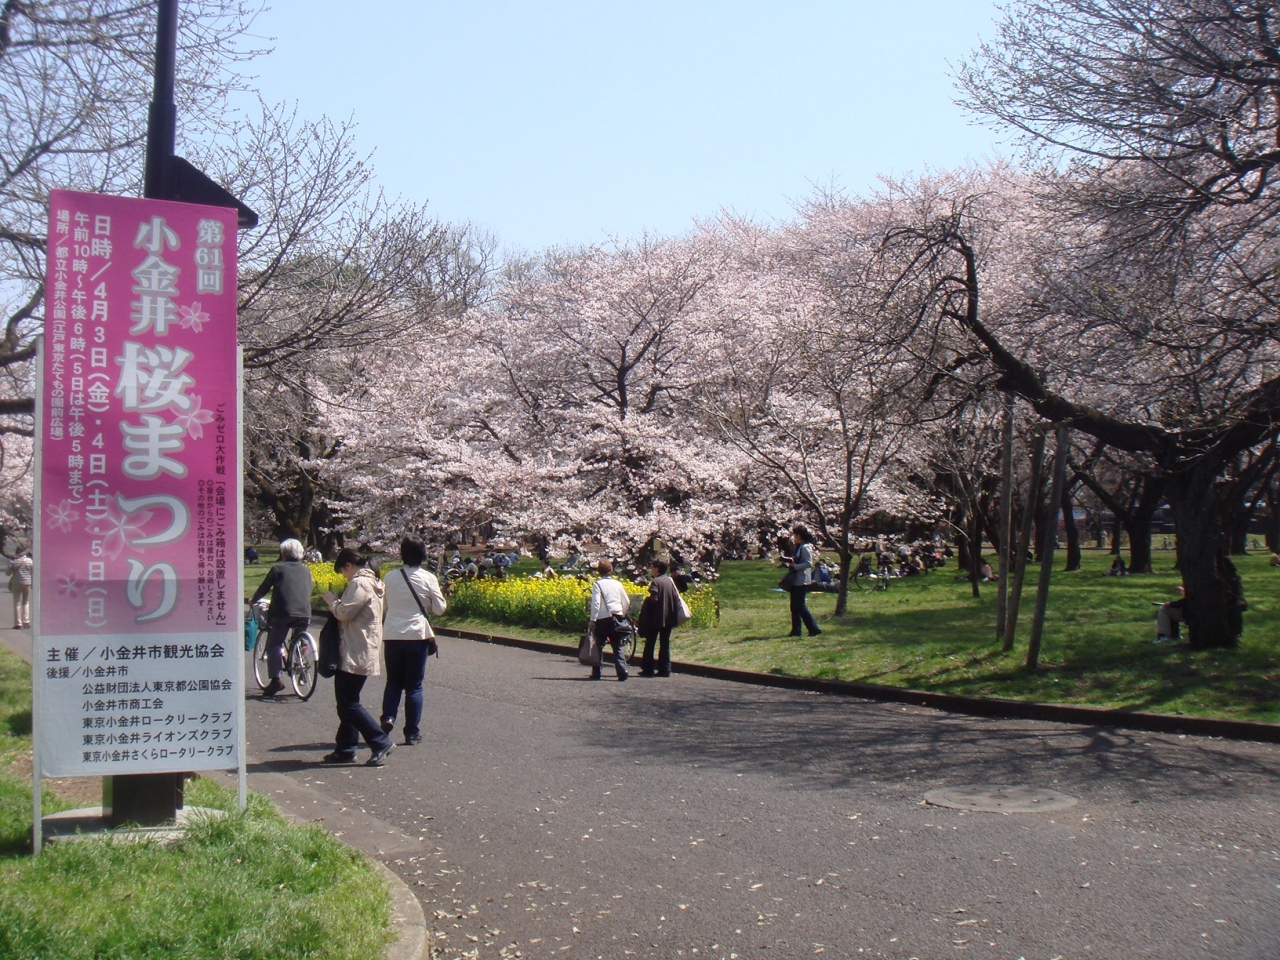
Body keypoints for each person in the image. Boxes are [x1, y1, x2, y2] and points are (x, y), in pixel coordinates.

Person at [321, 549, 394, 765]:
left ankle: (380, 741)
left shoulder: (360, 583)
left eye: (343, 572)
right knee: (348, 701)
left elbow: (345, 612)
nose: (345, 576)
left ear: (348, 566)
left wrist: (332, 601)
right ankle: (345, 748)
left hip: (355, 650)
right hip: (363, 648)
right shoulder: (375, 583)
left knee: (348, 704)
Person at [380, 536, 446, 746]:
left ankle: (388, 717)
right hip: (417, 635)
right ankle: (411, 731)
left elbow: (382, 606)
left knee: (393, 681)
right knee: (414, 686)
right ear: (423, 555)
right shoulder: (428, 578)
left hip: (392, 634)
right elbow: (439, 608)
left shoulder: (390, 577)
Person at [247, 538, 314, 698]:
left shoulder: (278, 568)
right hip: (304, 612)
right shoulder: (306, 570)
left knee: (275, 644)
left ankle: (276, 680)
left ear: (283, 553)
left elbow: (264, 587)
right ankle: (301, 663)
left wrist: (253, 600)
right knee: (298, 639)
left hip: (282, 613)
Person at [587, 559, 631, 681]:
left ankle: (597, 672)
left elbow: (596, 603)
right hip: (617, 616)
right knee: (617, 645)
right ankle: (622, 672)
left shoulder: (598, 584)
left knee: (598, 646)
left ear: (598, 571)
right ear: (610, 570)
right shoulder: (618, 584)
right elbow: (626, 601)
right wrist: (622, 612)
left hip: (603, 619)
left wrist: (592, 619)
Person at [637, 560, 681, 678]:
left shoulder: (655, 582)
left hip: (656, 617)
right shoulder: (669, 581)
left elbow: (654, 598)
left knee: (650, 642)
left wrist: (647, 602)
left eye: (652, 567)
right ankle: (665, 669)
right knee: (665, 643)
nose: (651, 569)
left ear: (657, 569)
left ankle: (648, 668)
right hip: (669, 617)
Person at [782, 525, 821, 637]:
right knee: (794, 606)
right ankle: (796, 630)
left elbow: (809, 563)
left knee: (800, 605)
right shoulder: (799, 546)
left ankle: (814, 628)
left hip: (801, 580)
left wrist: (796, 566)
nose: (793, 537)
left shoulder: (805, 547)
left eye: (794, 535)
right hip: (796, 579)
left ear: (799, 535)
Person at [8, 550, 31, 629]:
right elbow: (33, 571)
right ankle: (26, 621)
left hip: (16, 583)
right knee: (26, 602)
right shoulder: (29, 561)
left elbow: (7, 573)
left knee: (16, 603)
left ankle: (18, 623)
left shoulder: (14, 561)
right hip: (27, 582)